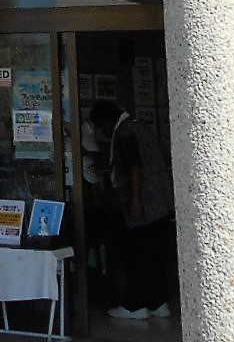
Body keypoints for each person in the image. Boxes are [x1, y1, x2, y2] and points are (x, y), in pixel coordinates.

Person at [89, 99, 176, 319]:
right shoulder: (140, 126)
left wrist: (135, 200)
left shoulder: (125, 133)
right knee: (155, 255)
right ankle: (158, 302)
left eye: (101, 128)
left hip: (142, 205)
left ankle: (135, 305)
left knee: (135, 254)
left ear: (107, 121)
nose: (103, 133)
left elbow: (134, 168)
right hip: (160, 203)